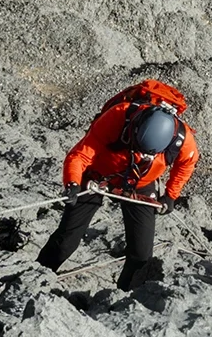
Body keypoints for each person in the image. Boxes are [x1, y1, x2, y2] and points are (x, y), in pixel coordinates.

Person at [38, 79, 198, 289]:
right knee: (68, 238)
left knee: (141, 255)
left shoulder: (182, 138)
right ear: (136, 127)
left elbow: (187, 164)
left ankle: (123, 298)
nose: (140, 154)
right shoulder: (118, 116)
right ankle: (37, 276)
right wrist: (73, 183)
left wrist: (170, 195)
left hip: (141, 184)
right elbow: (80, 155)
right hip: (98, 176)